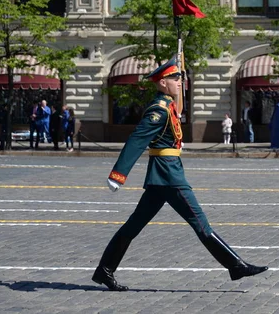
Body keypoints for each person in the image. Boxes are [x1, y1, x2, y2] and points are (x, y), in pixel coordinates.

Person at [92, 56, 267, 292]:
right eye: (175, 79)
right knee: (200, 222)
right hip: (169, 175)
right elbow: (137, 139)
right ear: (163, 82)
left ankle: (104, 270)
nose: (179, 83)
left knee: (133, 225)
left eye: (179, 78)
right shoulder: (159, 110)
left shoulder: (169, 107)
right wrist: (118, 174)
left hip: (163, 176)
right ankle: (235, 265)